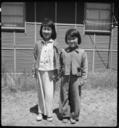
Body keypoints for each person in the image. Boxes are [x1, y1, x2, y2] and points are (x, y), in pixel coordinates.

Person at [59, 28, 88, 124]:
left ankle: (74, 115)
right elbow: (60, 64)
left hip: (76, 78)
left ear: (78, 39)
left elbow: (85, 67)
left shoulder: (82, 52)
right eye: (69, 39)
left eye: (74, 38)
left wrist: (83, 78)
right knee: (64, 96)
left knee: (76, 97)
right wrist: (59, 74)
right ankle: (65, 114)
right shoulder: (63, 51)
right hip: (65, 77)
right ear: (66, 40)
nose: (71, 41)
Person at [33, 18, 59, 122]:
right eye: (44, 29)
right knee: (40, 92)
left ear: (52, 31)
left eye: (49, 29)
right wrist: (34, 69)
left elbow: (57, 58)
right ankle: (40, 112)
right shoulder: (38, 43)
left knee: (49, 93)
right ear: (41, 30)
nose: (46, 31)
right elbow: (35, 56)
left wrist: (57, 72)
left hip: (51, 72)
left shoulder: (55, 43)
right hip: (40, 70)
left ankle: (49, 113)